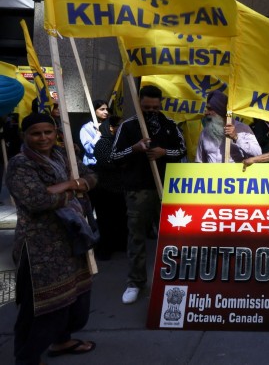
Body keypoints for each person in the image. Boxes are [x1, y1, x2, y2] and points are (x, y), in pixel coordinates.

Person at [7, 113, 98, 363]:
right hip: (40, 245)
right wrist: (74, 188)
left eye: (48, 132)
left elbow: (91, 176)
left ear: (56, 131)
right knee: (42, 305)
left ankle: (62, 341)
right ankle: (26, 356)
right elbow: (37, 200)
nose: (43, 138)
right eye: (36, 133)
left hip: (72, 236)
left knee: (73, 297)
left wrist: (68, 184)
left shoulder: (63, 153)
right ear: (25, 136)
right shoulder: (20, 163)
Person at [111, 85, 186, 304]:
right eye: (146, 107)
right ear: (139, 104)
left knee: (172, 237)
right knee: (137, 237)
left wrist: (164, 152)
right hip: (138, 190)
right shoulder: (128, 126)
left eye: (155, 106)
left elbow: (182, 150)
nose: (151, 110)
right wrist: (134, 149)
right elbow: (114, 156)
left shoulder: (170, 125)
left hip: (167, 189)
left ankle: (170, 279)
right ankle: (135, 282)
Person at [92, 115, 128, 260]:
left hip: (121, 188)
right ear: (111, 128)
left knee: (120, 218)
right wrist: (125, 160)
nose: (122, 129)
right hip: (105, 188)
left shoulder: (123, 143)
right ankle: (106, 248)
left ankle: (120, 244)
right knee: (105, 220)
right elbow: (109, 162)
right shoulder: (103, 143)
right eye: (119, 125)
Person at [195, 91, 261, 163]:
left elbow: (258, 154)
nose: (206, 113)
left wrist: (236, 137)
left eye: (210, 109)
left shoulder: (243, 129)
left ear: (220, 111)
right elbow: (199, 161)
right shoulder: (205, 133)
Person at [79, 99, 110, 167]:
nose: (106, 112)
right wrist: (98, 135)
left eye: (107, 109)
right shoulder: (86, 128)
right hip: (93, 165)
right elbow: (89, 149)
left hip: (108, 165)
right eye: (102, 109)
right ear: (94, 111)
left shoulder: (109, 126)